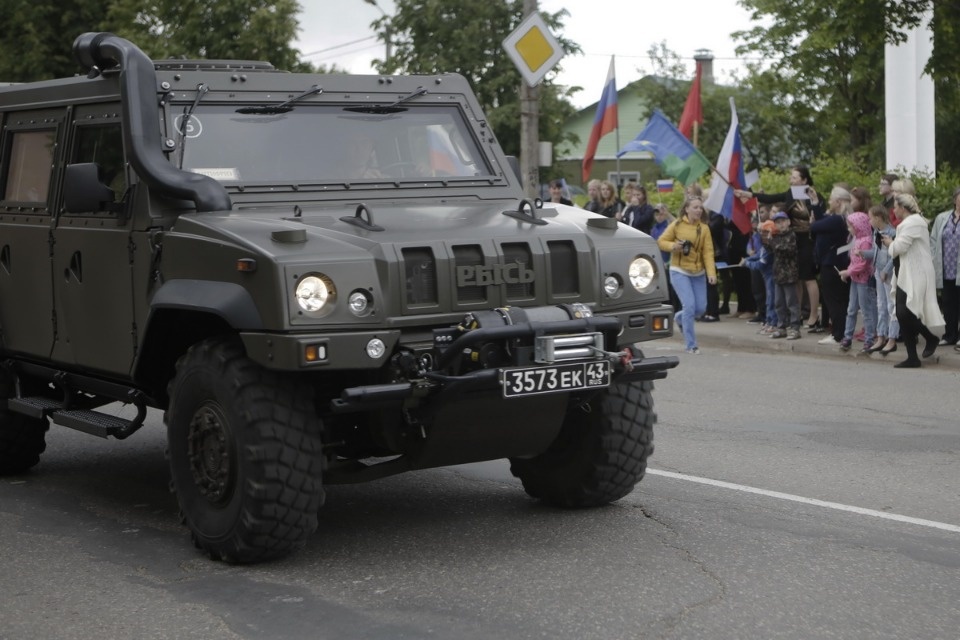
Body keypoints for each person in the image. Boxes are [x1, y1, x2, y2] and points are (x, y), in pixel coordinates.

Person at [736, 165, 824, 330]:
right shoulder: (790, 194)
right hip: (792, 239)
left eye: (795, 177)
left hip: (808, 240)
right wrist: (750, 194)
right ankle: (795, 316)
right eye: (791, 177)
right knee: (795, 278)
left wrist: (815, 204)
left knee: (808, 277)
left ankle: (813, 315)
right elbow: (771, 198)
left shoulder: (814, 195)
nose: (791, 180)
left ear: (804, 180)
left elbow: (820, 216)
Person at [882, 194, 945, 368]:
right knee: (903, 314)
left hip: (916, 272)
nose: (894, 210)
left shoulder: (913, 222)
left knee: (905, 312)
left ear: (903, 208)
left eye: (896, 207)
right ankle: (913, 357)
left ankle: (930, 338)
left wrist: (889, 243)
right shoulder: (911, 223)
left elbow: (899, 247)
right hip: (907, 272)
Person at [657, 196, 716, 354]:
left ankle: (679, 317)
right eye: (695, 207)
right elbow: (661, 242)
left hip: (698, 273)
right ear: (687, 209)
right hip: (679, 271)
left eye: (700, 207)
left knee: (700, 308)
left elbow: (708, 253)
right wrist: (674, 246)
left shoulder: (704, 228)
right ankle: (691, 344)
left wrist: (711, 273)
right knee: (689, 306)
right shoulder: (676, 224)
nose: (699, 210)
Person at [809, 187, 852, 346]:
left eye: (831, 199)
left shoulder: (837, 219)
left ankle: (838, 335)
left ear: (838, 201)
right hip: (841, 263)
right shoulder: (845, 218)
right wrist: (815, 203)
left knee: (833, 301)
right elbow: (821, 222)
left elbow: (815, 226)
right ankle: (841, 333)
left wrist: (814, 221)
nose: (829, 202)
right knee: (840, 301)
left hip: (831, 264)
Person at [837, 212, 878, 353]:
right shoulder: (856, 239)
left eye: (851, 226)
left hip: (864, 281)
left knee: (866, 311)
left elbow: (863, 264)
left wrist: (848, 272)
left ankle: (869, 339)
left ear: (859, 226)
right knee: (851, 309)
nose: (849, 229)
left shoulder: (866, 241)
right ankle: (847, 337)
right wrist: (848, 272)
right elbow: (853, 261)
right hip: (855, 279)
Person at [862, 204, 899, 355]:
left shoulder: (892, 233)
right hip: (878, 272)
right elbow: (876, 252)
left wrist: (886, 270)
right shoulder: (876, 232)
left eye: (870, 218)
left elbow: (894, 253)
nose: (869, 221)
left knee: (891, 305)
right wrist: (863, 253)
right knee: (881, 305)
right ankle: (881, 336)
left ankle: (892, 337)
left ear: (877, 218)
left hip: (888, 273)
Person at [929, 187, 960, 347]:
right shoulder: (942, 218)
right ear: (954, 199)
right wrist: (933, 260)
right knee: (948, 303)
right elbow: (933, 240)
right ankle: (949, 335)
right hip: (946, 268)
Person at [768, 211, 802, 340]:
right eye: (777, 222)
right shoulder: (776, 237)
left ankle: (795, 328)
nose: (780, 224)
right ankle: (781, 327)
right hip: (778, 274)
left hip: (789, 275)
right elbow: (771, 250)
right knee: (779, 303)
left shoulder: (791, 235)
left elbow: (786, 250)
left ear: (788, 222)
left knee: (792, 303)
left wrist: (772, 243)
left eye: (782, 221)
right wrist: (767, 240)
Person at [739, 219, 778, 333]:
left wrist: (746, 263)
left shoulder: (770, 248)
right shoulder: (765, 246)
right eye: (761, 232)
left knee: (772, 301)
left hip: (771, 276)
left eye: (765, 232)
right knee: (768, 300)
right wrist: (746, 259)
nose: (762, 235)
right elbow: (757, 255)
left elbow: (760, 264)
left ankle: (773, 323)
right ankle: (769, 321)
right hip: (766, 277)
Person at [651, 203, 681, 310]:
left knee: (672, 288)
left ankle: (677, 309)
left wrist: (667, 214)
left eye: (661, 214)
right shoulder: (654, 228)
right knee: (663, 288)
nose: (659, 216)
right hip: (659, 261)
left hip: (669, 261)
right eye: (657, 214)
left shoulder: (669, 226)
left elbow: (677, 225)